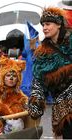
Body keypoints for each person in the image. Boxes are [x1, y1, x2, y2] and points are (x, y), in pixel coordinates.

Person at [28, 7, 72, 139]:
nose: (44, 28)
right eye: (43, 25)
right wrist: (36, 101)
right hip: (63, 108)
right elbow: (38, 81)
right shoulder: (42, 53)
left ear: (58, 24)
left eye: (48, 24)